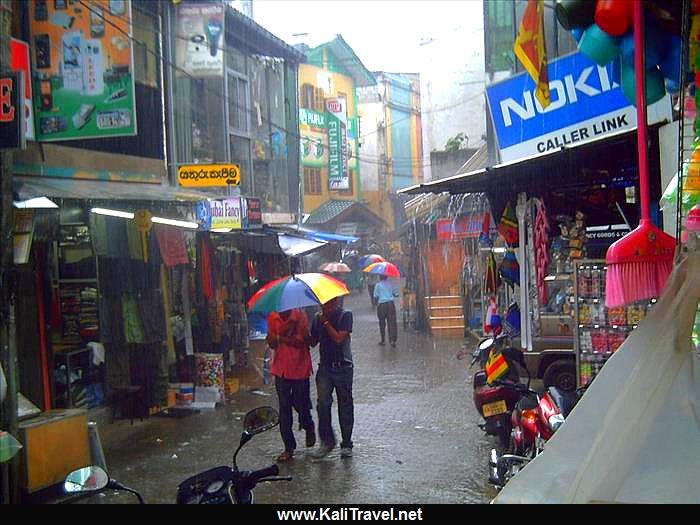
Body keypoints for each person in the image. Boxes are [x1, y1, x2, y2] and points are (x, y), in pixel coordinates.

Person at [267, 308, 316, 462]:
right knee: (284, 408)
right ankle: (289, 447)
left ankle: (308, 425)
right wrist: (273, 338)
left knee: (301, 404)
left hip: (300, 367)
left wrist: (281, 337)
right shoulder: (273, 318)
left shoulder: (300, 316)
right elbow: (273, 344)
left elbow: (302, 342)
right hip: (281, 368)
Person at [308, 297, 354, 458]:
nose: (325, 308)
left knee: (345, 404)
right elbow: (312, 342)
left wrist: (326, 323)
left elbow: (339, 338)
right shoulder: (317, 318)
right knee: (323, 405)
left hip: (343, 367)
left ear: (335, 303)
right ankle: (327, 441)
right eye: (323, 305)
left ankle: (346, 443)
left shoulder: (345, 316)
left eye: (328, 304)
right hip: (325, 367)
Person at [374, 275, 399, 347]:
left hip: (382, 305)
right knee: (392, 322)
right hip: (391, 304)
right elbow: (396, 294)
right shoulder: (391, 284)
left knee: (382, 322)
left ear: (380, 277)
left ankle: (383, 340)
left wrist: (376, 304)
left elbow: (375, 296)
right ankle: (392, 340)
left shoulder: (378, 285)